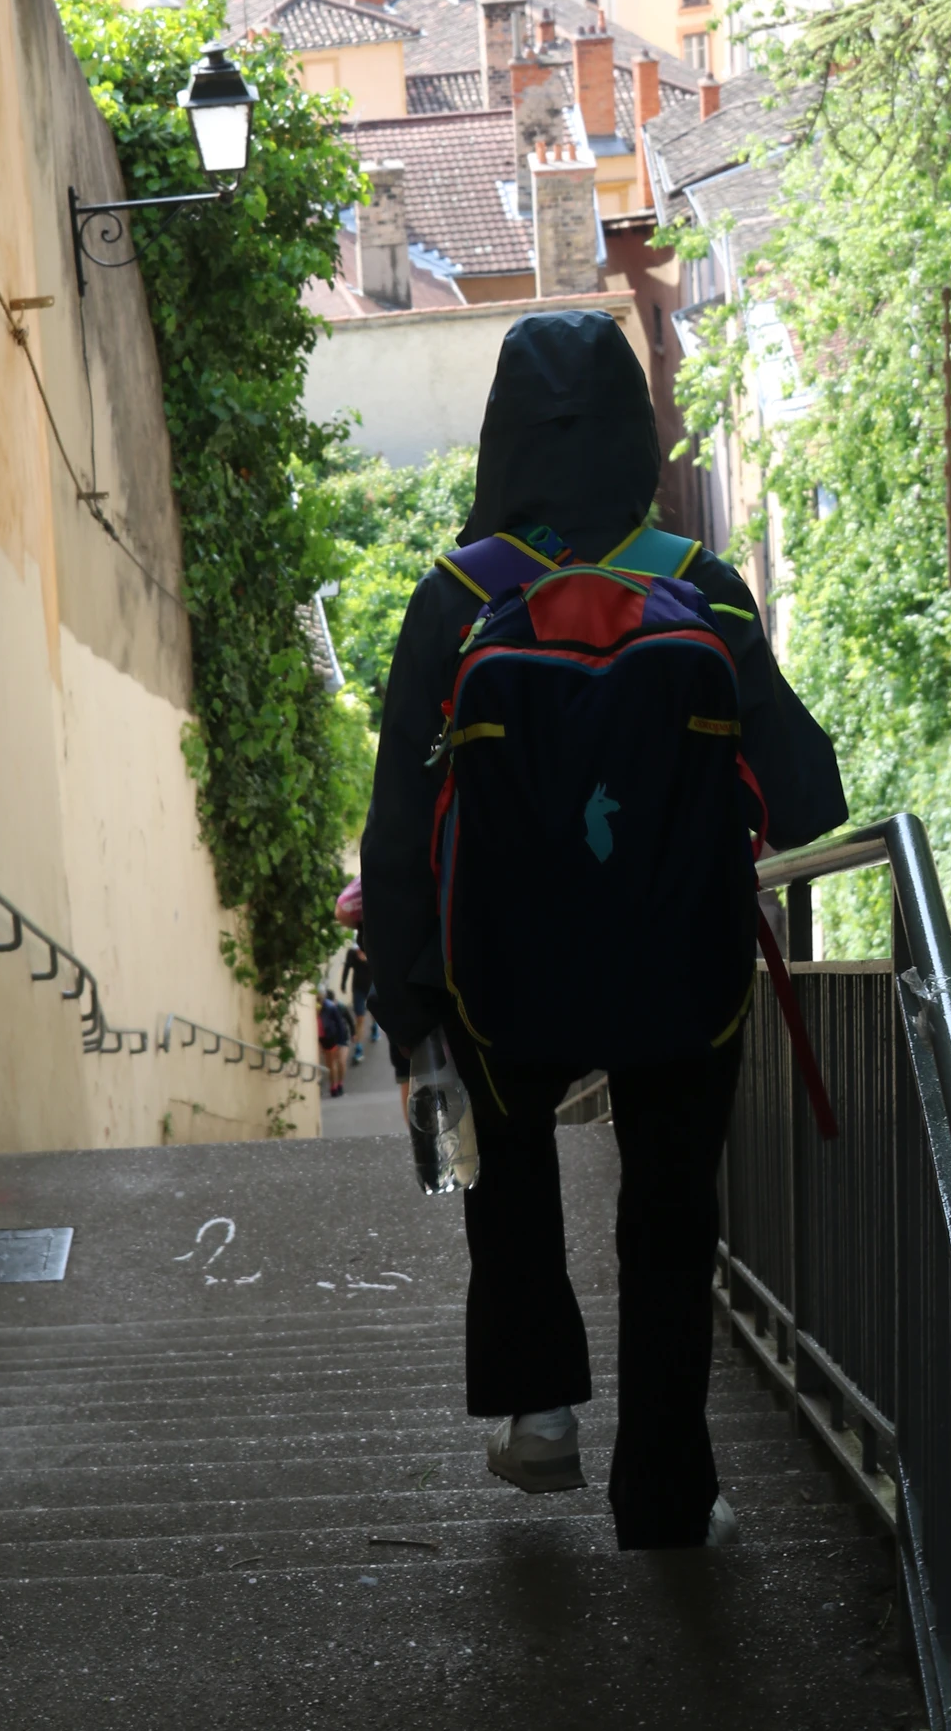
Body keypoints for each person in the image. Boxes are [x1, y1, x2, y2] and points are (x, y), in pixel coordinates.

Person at [361, 309, 846, 1551]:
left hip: (495, 969)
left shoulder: (454, 599)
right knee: (671, 1215)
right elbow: (811, 799)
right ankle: (671, 1497)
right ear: (638, 435)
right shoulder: (700, 587)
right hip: (680, 967)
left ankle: (540, 1423)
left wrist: (411, 1004)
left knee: (506, 1178)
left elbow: (404, 820)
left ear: (500, 442)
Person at [342, 937, 378, 1062]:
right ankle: (358, 1048)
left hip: (372, 987)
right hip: (358, 989)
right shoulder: (351, 954)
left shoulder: (371, 950)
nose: (358, 952)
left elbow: (380, 966)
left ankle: (374, 1027)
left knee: (374, 1011)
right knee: (360, 1018)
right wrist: (343, 983)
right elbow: (347, 967)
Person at [317, 986, 351, 1096]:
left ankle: (336, 1085)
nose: (319, 1000)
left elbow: (340, 1024)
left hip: (332, 1038)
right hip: (322, 1039)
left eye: (320, 997)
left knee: (334, 1063)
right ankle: (333, 1086)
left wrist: (340, 1040)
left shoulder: (331, 1007)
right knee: (330, 1064)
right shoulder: (314, 1008)